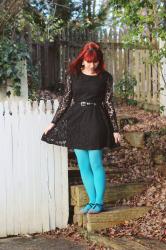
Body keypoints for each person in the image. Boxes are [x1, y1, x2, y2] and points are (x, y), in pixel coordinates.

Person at [41, 41, 121, 214]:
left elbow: (108, 103)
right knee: (83, 164)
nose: (92, 65)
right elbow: (66, 101)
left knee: (95, 162)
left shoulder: (105, 77)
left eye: (96, 61)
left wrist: (115, 129)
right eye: (89, 61)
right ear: (83, 59)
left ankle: (99, 202)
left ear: (99, 61)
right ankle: (92, 201)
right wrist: (53, 122)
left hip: (96, 120)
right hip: (76, 120)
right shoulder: (73, 75)